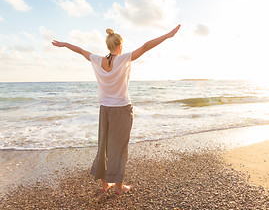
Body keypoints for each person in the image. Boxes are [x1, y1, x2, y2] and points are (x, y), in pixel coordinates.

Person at [52, 24, 181, 194]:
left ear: (108, 46)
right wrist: (167, 35)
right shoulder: (123, 58)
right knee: (119, 148)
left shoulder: (97, 60)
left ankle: (105, 184)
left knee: (103, 146)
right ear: (120, 46)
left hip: (104, 109)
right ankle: (119, 187)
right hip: (121, 109)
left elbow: (81, 50)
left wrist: (64, 44)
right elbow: (145, 46)